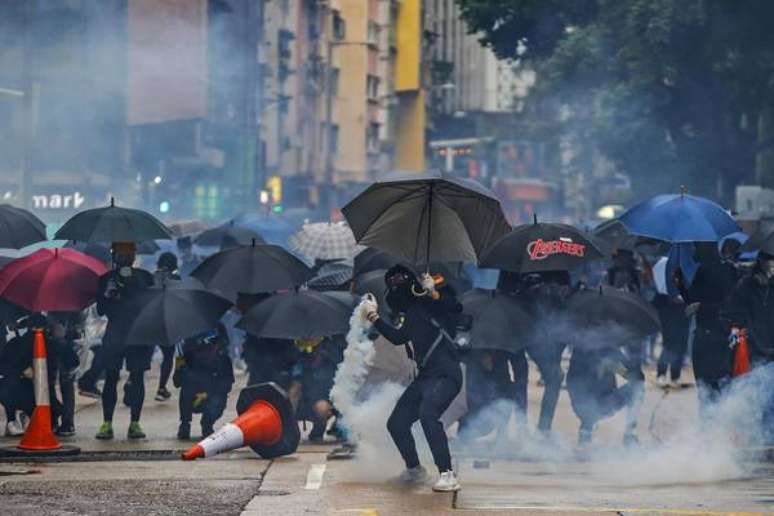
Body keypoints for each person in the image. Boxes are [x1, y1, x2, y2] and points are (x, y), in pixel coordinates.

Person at [365, 265, 463, 492]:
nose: (397, 289)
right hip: (426, 376)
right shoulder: (411, 312)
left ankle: (447, 473)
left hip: (446, 373)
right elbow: (400, 337)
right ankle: (414, 470)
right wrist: (374, 317)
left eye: (401, 283)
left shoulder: (433, 300)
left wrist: (433, 292)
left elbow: (453, 307)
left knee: (428, 415)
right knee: (397, 423)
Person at [95, 242, 155, 440]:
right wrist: (108, 294)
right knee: (111, 378)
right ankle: (107, 423)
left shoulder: (145, 278)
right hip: (116, 334)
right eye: (122, 255)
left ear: (134, 256)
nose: (126, 259)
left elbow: (152, 303)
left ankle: (135, 423)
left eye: (129, 254)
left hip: (139, 335)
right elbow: (101, 310)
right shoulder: (106, 279)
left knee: (137, 378)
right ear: (114, 257)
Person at [676, 242, 737, 415]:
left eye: (698, 247)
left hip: (720, 337)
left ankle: (721, 428)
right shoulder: (702, 272)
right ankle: (708, 432)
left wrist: (702, 307)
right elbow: (692, 301)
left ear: (708, 249)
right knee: (704, 389)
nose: (695, 251)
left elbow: (729, 305)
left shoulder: (727, 272)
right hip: (703, 336)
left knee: (720, 387)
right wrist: (680, 284)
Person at [726, 251, 774, 443]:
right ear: (761, 262)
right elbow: (732, 312)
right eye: (770, 260)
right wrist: (741, 332)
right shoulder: (746, 285)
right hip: (756, 347)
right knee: (760, 395)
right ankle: (763, 438)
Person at [566, 343, 644, 445]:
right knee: (636, 388)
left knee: (590, 402)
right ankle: (630, 434)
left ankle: (586, 429)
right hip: (598, 405)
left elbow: (571, 381)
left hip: (579, 406)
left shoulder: (580, 348)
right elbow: (632, 374)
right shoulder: (607, 347)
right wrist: (635, 373)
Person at [173, 324, 234, 439]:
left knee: (219, 399)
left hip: (212, 398)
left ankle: (207, 424)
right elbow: (177, 382)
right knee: (187, 389)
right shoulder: (186, 357)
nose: (206, 350)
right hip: (192, 397)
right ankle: (185, 423)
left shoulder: (223, 359)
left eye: (211, 346)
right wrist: (182, 369)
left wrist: (211, 390)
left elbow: (228, 384)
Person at [458, 349, 517, 443]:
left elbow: (507, 390)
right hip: (472, 421)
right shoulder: (470, 364)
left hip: (490, 417)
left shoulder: (501, 365)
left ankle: (501, 435)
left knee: (510, 392)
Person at [296, 335, 346, 443]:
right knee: (321, 407)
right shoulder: (303, 353)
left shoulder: (334, 348)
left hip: (335, 390)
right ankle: (317, 431)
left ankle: (340, 429)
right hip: (312, 394)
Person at [153, 252, 180, 402]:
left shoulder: (151, 277)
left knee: (142, 356)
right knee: (168, 356)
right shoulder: (175, 279)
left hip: (149, 321)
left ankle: (131, 386)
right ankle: (161, 387)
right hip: (167, 323)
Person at [653, 290, 688, 386]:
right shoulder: (664, 280)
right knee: (669, 344)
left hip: (683, 310)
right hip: (667, 309)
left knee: (681, 345)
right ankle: (661, 374)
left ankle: (675, 376)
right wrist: (673, 297)